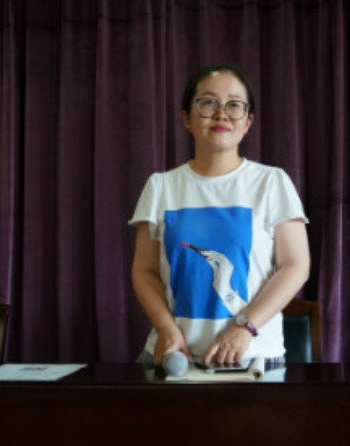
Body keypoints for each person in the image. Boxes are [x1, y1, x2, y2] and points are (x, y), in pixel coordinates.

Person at [129, 63, 310, 368]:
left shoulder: (272, 183)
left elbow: (295, 266)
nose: (222, 114)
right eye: (208, 102)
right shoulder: (160, 187)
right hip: (175, 358)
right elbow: (144, 271)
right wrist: (166, 330)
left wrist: (246, 327)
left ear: (248, 122)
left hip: (252, 359)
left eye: (234, 105)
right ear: (186, 118)